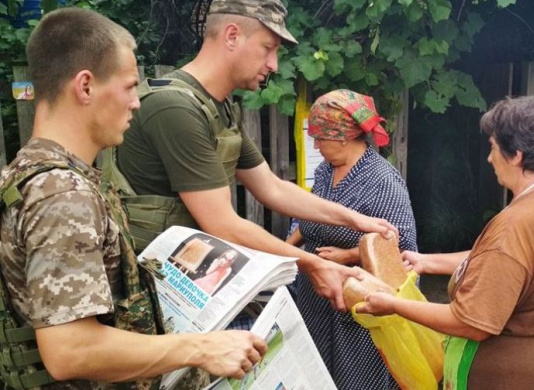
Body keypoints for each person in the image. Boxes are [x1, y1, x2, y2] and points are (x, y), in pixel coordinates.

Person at [0, 8, 267, 389]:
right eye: (128, 86)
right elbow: (69, 350)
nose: (137, 101)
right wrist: (202, 348)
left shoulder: (29, 172)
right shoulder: (61, 192)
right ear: (86, 86)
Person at [108, 0, 395, 312]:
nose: (273, 64)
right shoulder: (177, 109)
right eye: (268, 48)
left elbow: (271, 187)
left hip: (182, 284)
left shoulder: (218, 107)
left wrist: (356, 220)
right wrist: (312, 264)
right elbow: (223, 225)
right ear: (232, 35)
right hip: (150, 295)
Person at [358, 96, 534, 390]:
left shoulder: (518, 223)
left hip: (516, 377)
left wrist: (394, 304)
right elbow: (505, 262)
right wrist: (428, 262)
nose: (489, 158)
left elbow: (471, 323)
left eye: (493, 148)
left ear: (516, 154)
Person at [285, 89, 417, 390]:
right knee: (316, 369)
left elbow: (401, 249)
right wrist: (283, 250)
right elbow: (307, 220)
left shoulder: (382, 180)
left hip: (360, 302)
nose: (315, 144)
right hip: (317, 296)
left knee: (356, 377)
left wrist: (347, 256)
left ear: (343, 136)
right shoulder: (324, 173)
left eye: (320, 137)